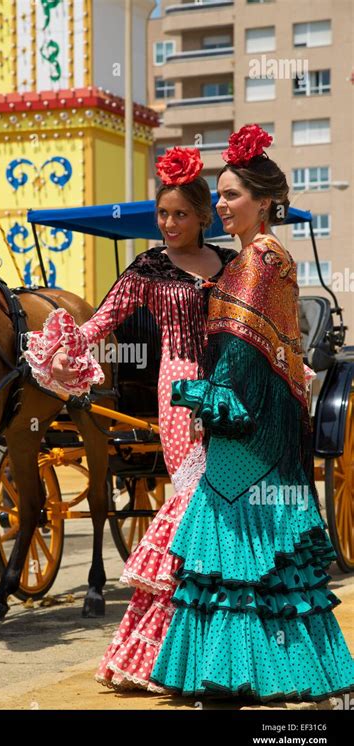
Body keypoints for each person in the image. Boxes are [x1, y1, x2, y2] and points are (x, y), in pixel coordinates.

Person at [148, 125, 354, 702]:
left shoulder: (260, 260)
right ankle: (255, 671)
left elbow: (240, 354)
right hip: (250, 429)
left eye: (232, 194)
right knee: (253, 560)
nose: (220, 203)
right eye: (218, 194)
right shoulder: (252, 260)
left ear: (265, 203)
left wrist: (205, 396)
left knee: (242, 556)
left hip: (249, 431)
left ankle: (241, 675)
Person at [22, 146, 237, 691]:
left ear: (203, 216)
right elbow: (100, 322)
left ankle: (221, 646)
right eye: (162, 214)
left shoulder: (231, 265)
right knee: (193, 505)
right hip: (180, 390)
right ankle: (167, 648)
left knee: (225, 508)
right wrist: (65, 348)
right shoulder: (148, 267)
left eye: (180, 214)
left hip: (235, 392)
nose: (168, 224)